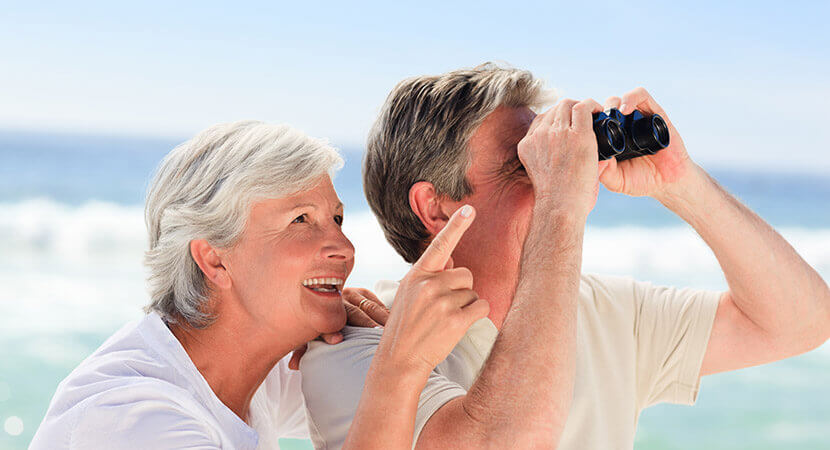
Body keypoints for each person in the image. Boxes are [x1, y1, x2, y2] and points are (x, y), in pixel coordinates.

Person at [299, 63, 830, 449]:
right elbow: (507, 441)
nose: (563, 178)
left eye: (553, 161)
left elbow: (800, 322)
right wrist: (561, 206)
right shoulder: (363, 348)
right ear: (434, 207)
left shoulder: (605, 313)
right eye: (525, 165)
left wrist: (680, 182)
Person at [29, 121, 488, 449]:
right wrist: (398, 366)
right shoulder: (131, 420)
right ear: (214, 258)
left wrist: (387, 337)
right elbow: (387, 399)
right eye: (301, 219)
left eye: (337, 219)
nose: (344, 248)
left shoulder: (253, 373)